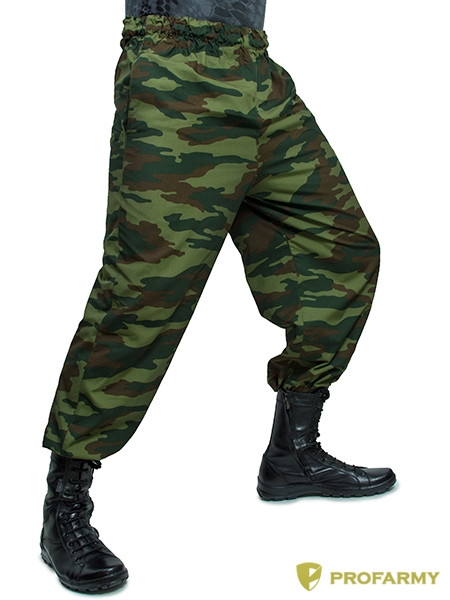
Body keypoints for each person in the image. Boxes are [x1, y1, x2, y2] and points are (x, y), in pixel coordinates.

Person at [40, 0, 396, 593]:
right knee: (144, 292)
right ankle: (65, 501)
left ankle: (294, 453)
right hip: (172, 70)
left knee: (339, 250)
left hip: (257, 71)